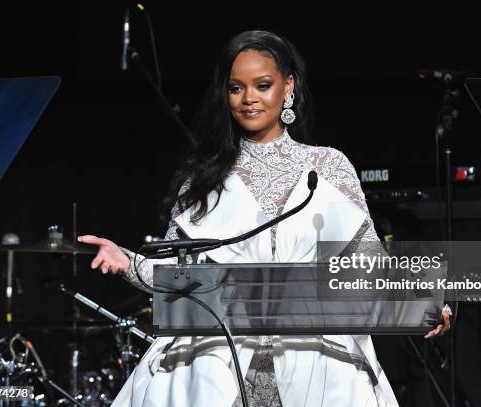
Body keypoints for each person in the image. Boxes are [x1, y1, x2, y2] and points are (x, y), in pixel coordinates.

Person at [79, 30, 450, 407]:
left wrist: (423, 301)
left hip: (318, 357)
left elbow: (369, 262)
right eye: (236, 88)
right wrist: (127, 262)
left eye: (263, 85)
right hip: (217, 359)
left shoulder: (328, 166)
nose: (249, 98)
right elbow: (179, 274)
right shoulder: (205, 178)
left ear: (288, 87)